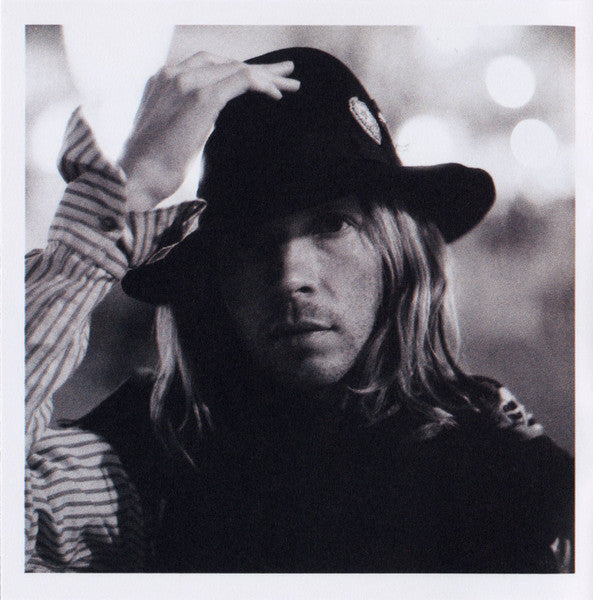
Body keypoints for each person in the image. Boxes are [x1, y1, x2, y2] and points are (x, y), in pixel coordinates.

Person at [25, 47, 573, 573]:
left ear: (395, 253)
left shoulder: (495, 461)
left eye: (332, 225)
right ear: (217, 280)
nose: (291, 279)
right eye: (250, 241)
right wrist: (133, 187)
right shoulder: (154, 452)